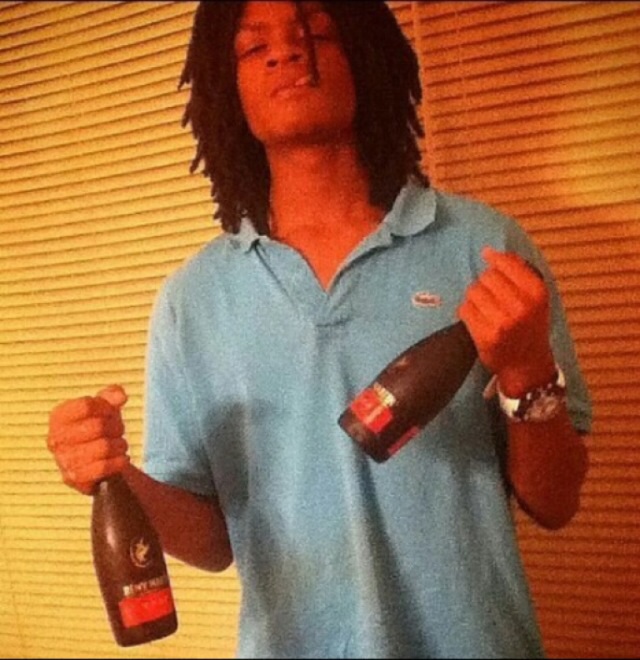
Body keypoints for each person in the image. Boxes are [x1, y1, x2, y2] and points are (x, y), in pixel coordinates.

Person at [47, 2, 592, 658]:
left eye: (315, 32)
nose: (285, 52)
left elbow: (556, 503)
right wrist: (114, 475)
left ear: (364, 53)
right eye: (253, 48)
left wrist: (527, 370)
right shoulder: (192, 300)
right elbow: (214, 544)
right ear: (226, 87)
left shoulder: (484, 247)